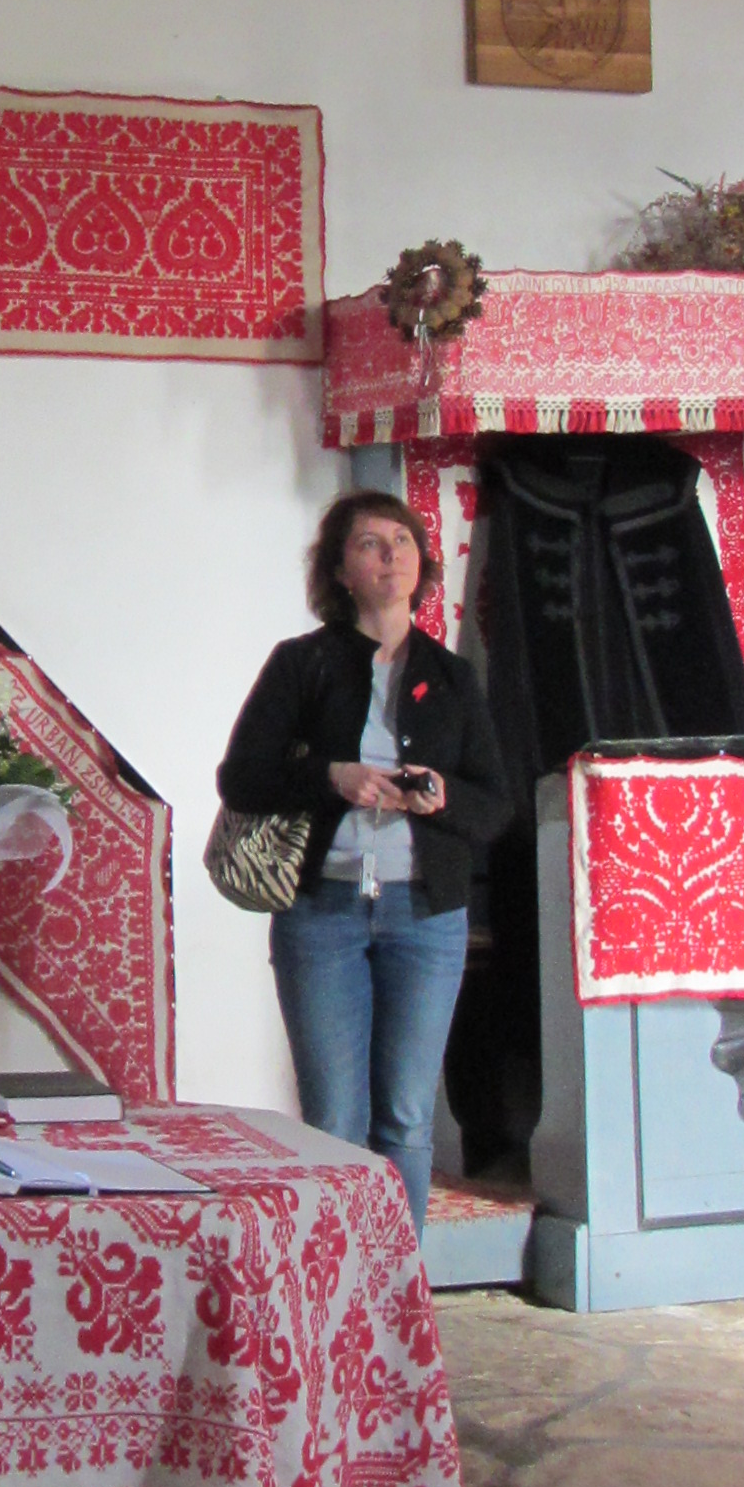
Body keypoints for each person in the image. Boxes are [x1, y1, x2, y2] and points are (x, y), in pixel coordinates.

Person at [217, 489, 509, 1233]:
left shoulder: (451, 676)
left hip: (426, 916)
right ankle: (335, 1282)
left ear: (422, 563)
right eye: (370, 544)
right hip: (323, 913)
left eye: (402, 541)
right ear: (339, 571)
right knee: (334, 1121)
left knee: (406, 1117)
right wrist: (332, 777)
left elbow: (495, 806)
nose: (390, 556)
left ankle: (395, 1283)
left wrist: (440, 796)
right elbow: (241, 777)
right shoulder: (302, 664)